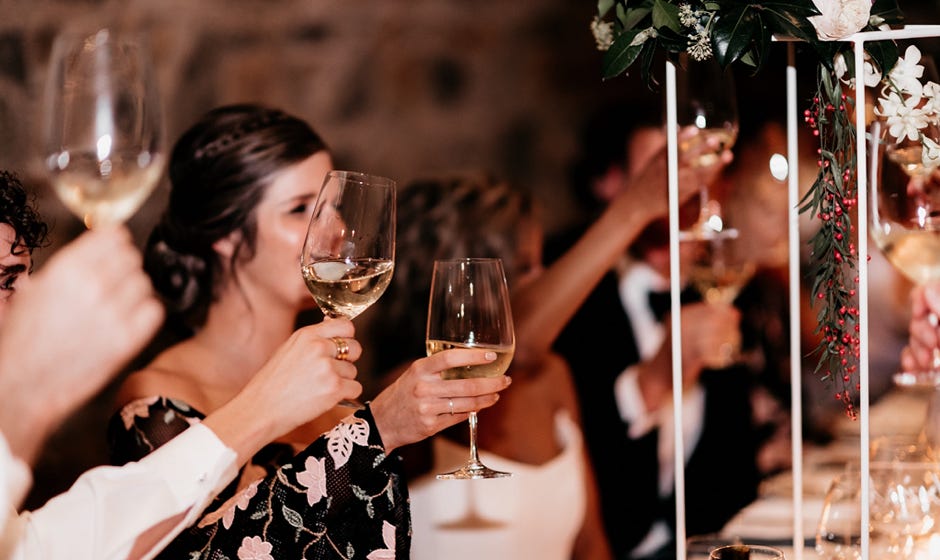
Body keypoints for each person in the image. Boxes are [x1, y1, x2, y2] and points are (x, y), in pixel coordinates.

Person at [107, 103, 511, 559]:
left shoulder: (334, 390)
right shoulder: (156, 401)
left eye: (332, 207)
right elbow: (206, 552)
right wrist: (377, 431)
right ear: (224, 233)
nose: (336, 229)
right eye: (302, 209)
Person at [0, 171, 360, 559]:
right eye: (5, 280)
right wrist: (25, 395)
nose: (335, 230)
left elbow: (49, 545)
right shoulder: (155, 401)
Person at [546, 105, 761, 559]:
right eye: (663, 175)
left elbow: (737, 476)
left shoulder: (718, 278)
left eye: (694, 175)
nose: (685, 193)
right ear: (612, 183)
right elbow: (585, 500)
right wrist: (658, 377)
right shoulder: (567, 294)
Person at [370, 173, 611, 559]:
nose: (545, 279)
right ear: (468, 287)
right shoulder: (404, 397)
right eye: (525, 268)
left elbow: (592, 545)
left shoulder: (553, 376)